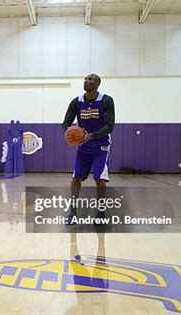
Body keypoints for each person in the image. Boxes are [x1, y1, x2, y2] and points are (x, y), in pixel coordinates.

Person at [62, 73, 115, 225]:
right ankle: (72, 212)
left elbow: (110, 126)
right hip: (83, 145)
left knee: (99, 177)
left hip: (101, 145)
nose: (86, 81)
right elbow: (65, 123)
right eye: (85, 79)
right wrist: (70, 134)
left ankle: (101, 213)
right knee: (76, 177)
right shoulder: (76, 102)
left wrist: (90, 136)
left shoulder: (106, 100)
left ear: (98, 84)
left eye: (90, 79)